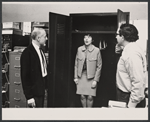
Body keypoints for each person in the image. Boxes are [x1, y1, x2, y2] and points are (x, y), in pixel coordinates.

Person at [116, 23, 147, 108]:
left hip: (129, 98)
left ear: (122, 37)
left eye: (117, 35)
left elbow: (138, 81)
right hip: (128, 95)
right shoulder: (131, 48)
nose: (116, 37)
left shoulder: (131, 54)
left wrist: (131, 106)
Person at [20, 28, 48, 107]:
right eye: (45, 36)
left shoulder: (41, 51)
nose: (46, 38)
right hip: (34, 94)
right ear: (38, 38)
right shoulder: (27, 53)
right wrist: (29, 97)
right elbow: (25, 77)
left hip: (41, 91)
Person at [74, 34, 102, 107]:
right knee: (82, 96)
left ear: (92, 39)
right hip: (81, 75)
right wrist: (75, 77)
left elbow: (99, 66)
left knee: (90, 97)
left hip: (91, 76)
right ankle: (84, 112)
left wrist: (96, 80)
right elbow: (76, 64)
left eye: (89, 37)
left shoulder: (96, 50)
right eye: (85, 37)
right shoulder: (79, 49)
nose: (86, 39)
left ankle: (89, 113)